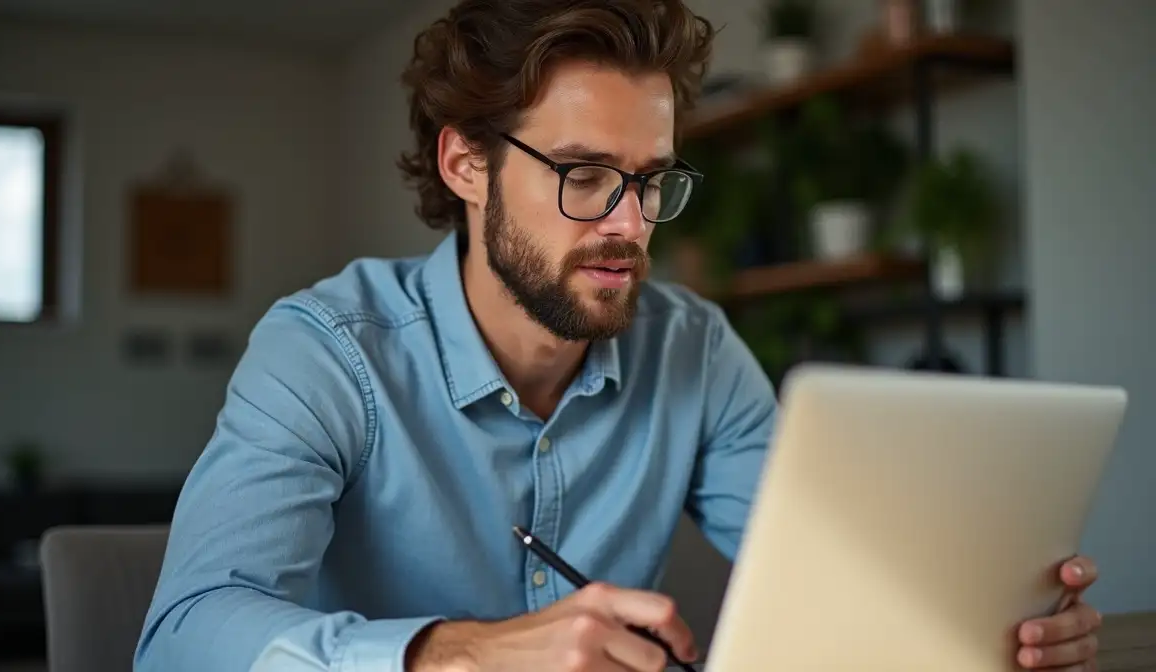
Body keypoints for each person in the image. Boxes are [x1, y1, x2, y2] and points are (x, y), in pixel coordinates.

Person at [134, 1, 1105, 670]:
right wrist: (460, 652)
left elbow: (841, 570)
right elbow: (179, 637)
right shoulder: (324, 352)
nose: (628, 224)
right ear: (465, 164)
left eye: (649, 181)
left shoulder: (695, 349)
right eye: (583, 174)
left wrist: (986, 623)